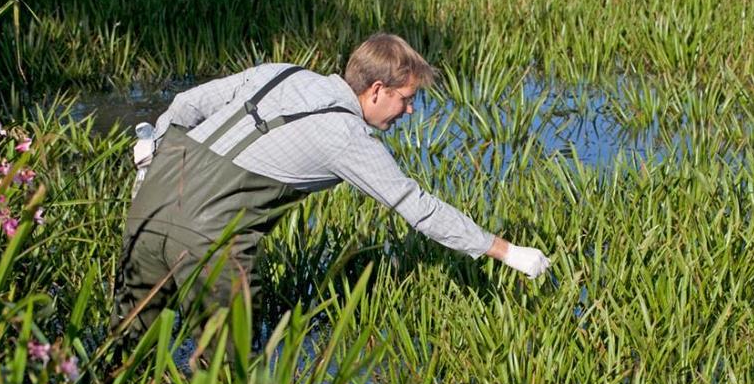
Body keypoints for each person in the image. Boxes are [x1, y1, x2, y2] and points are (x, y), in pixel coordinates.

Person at [114, 33, 551, 336]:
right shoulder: (347, 137)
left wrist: (147, 171)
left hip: (147, 211)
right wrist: (508, 252)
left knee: (122, 351)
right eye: (407, 98)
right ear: (377, 89)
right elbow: (418, 208)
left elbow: (185, 105)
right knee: (229, 383)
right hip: (211, 243)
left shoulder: (281, 72)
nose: (411, 111)